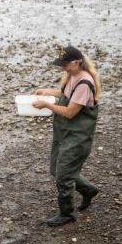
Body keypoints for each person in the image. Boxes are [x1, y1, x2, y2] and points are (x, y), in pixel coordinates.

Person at [33, 45, 101, 227]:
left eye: (65, 64)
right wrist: (48, 92)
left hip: (77, 138)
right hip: (64, 133)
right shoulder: (72, 76)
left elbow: (70, 112)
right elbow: (66, 96)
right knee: (56, 170)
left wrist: (47, 105)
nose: (63, 67)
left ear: (78, 62)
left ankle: (67, 214)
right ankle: (88, 189)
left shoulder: (85, 83)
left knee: (63, 176)